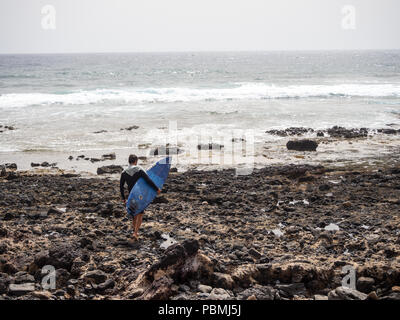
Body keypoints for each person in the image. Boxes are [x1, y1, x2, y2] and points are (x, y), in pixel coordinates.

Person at [120, 154, 160, 242]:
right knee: (140, 214)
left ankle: (134, 231)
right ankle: (135, 233)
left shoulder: (124, 172)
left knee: (134, 214)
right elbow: (148, 180)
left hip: (131, 195)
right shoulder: (139, 170)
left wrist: (123, 198)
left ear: (129, 161)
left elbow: (121, 187)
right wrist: (156, 189)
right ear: (136, 161)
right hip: (140, 195)